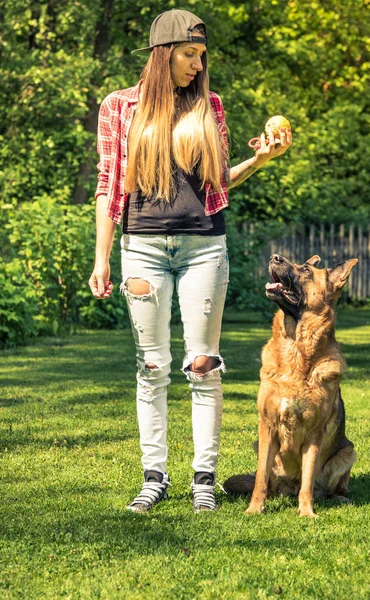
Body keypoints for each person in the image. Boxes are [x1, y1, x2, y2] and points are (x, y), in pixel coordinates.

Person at [88, 8, 292, 514]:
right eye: (190, 55)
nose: (199, 66)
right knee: (150, 366)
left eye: (202, 56)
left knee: (203, 365)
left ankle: (204, 478)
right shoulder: (120, 107)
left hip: (205, 246)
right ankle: (154, 477)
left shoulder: (210, 107)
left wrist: (262, 158)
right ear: (164, 55)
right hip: (142, 248)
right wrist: (102, 257)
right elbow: (108, 185)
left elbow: (218, 183)